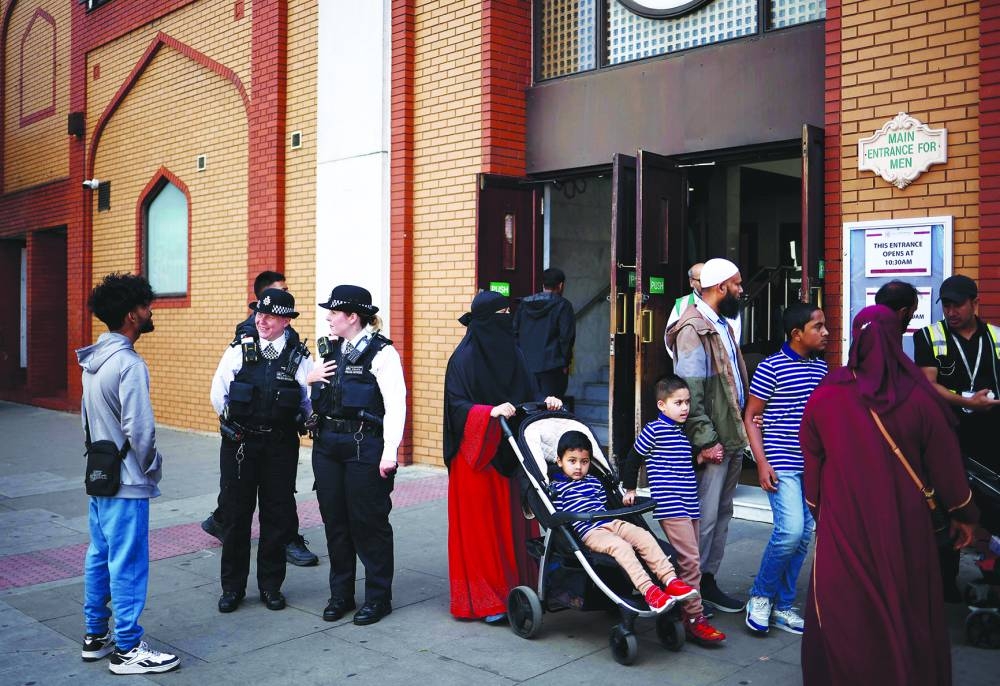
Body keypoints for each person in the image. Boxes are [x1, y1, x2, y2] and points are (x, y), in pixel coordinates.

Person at [799, 305, 978, 686]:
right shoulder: (918, 398)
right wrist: (966, 515)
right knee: (905, 602)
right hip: (905, 524)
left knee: (844, 605)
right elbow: (948, 469)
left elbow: (811, 466)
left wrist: (819, 511)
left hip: (844, 523)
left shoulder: (826, 396)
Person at [77, 273, 179, 674]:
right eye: (146, 305)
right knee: (129, 563)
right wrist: (151, 467)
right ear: (132, 315)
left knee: (99, 555)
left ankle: (95, 635)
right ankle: (128, 648)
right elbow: (141, 430)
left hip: (100, 474)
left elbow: (88, 422)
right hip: (128, 480)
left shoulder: (91, 361)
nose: (150, 310)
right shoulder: (128, 364)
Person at [444, 290, 562, 622]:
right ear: (484, 320)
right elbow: (456, 407)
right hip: (477, 460)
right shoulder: (463, 359)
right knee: (483, 531)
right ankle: (487, 600)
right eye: (502, 314)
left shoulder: (514, 352)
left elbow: (527, 391)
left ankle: (519, 587)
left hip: (511, 454)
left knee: (514, 525)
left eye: (509, 312)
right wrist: (488, 412)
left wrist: (545, 401)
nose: (507, 320)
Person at [202, 270, 318, 568]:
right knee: (237, 516)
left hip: (280, 445)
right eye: (258, 314)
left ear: (286, 320)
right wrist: (232, 422)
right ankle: (232, 588)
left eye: (269, 316)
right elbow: (219, 394)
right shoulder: (241, 348)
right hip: (242, 443)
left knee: (275, 515)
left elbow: (307, 399)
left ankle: (271, 586)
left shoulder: (299, 355)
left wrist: (308, 419)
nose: (260, 320)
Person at [308, 285, 406, 626]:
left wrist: (389, 454)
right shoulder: (330, 348)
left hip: (365, 446)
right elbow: (310, 389)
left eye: (334, 313)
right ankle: (341, 595)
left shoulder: (382, 353)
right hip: (327, 446)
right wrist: (309, 378)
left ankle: (379, 598)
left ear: (353, 317)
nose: (329, 318)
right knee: (335, 522)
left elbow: (396, 406)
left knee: (369, 523)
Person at [664, 257, 748, 614]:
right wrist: (706, 440)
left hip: (731, 435)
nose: (741, 291)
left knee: (722, 514)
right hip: (714, 440)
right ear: (720, 288)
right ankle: (692, 591)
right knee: (706, 518)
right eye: (737, 285)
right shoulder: (692, 328)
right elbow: (690, 395)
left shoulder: (722, 323)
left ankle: (708, 581)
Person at [741, 302, 828, 636]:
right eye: (818, 327)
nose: (825, 333)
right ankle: (760, 596)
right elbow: (751, 416)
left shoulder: (821, 369)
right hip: (781, 462)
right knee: (790, 530)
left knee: (804, 534)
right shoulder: (770, 368)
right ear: (797, 334)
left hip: (811, 465)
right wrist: (761, 462)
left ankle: (784, 605)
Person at [620, 377, 728, 645]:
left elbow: (684, 462)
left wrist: (700, 458)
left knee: (690, 557)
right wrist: (629, 488)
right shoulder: (653, 430)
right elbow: (633, 457)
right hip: (671, 502)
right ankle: (695, 618)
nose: (684, 408)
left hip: (689, 501)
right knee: (691, 559)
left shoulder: (680, 433)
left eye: (687, 402)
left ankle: (683, 606)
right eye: (678, 403)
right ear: (661, 405)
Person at [913, 274, 1000, 600]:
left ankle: (992, 578)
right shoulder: (929, 336)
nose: (950, 312)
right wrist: (967, 401)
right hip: (949, 439)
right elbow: (927, 384)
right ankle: (945, 587)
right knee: (948, 512)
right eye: (946, 305)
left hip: (992, 440)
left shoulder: (995, 337)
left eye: (957, 305)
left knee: (992, 511)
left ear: (976, 303)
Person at [550, 430, 700, 612]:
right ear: (559, 461)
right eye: (572, 461)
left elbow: (603, 503)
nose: (578, 467)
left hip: (610, 522)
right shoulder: (557, 488)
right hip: (590, 531)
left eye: (584, 461)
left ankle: (671, 581)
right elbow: (557, 516)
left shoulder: (595, 482)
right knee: (621, 547)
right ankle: (650, 591)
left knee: (642, 535)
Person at [512, 267, 576, 398]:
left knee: (528, 406)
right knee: (551, 407)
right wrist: (565, 362)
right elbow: (566, 338)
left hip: (526, 366)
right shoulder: (563, 306)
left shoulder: (524, 304)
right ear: (561, 285)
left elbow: (514, 333)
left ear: (543, 285)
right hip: (552, 366)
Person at [665, 262, 742, 356]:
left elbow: (734, 339)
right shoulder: (681, 304)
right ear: (691, 282)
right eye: (701, 280)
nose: (706, 283)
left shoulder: (727, 303)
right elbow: (670, 339)